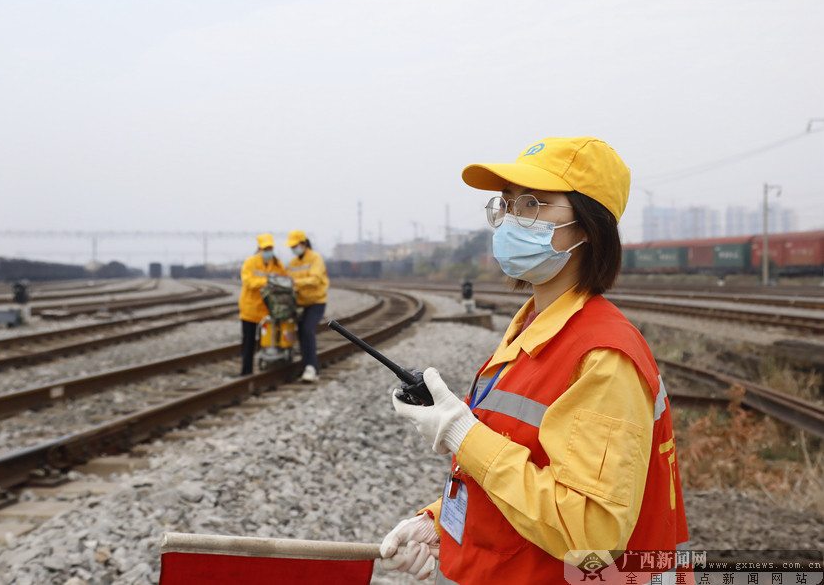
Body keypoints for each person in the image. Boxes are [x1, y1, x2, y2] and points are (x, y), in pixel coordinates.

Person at [380, 136, 691, 584]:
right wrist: (438, 520)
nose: (510, 219)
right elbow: (523, 467)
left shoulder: (603, 357)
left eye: (532, 204)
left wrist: (459, 432)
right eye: (505, 205)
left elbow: (591, 535)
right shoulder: (530, 329)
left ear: (587, 225)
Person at [284, 230, 329, 383]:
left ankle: (312, 368)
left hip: (316, 302)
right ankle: (306, 365)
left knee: (307, 330)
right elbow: (287, 279)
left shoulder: (315, 258)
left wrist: (295, 283)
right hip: (299, 303)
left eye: (294, 246)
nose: (292, 249)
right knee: (300, 334)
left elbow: (315, 279)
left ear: (303, 244)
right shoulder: (293, 262)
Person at [238, 234, 285, 376]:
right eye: (265, 248)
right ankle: (246, 372)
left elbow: (284, 280)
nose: (268, 251)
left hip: (267, 311)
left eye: (270, 248)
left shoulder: (277, 265)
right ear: (259, 248)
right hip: (250, 310)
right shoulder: (250, 262)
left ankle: (264, 370)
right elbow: (248, 281)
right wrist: (268, 282)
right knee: (248, 343)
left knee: (267, 342)